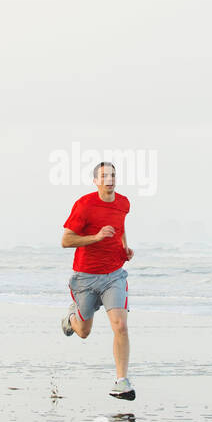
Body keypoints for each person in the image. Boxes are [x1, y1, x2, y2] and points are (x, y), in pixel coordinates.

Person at [60, 161, 135, 400]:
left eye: (113, 175)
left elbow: (121, 227)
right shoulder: (84, 205)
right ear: (96, 181)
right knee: (83, 332)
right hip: (86, 276)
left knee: (120, 326)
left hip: (114, 274)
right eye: (104, 176)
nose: (109, 179)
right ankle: (71, 318)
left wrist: (125, 248)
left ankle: (121, 382)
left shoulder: (123, 203)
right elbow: (66, 240)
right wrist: (97, 237)